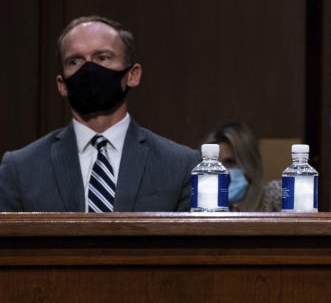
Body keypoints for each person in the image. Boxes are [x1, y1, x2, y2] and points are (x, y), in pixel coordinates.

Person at [0, 15, 199, 212]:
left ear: (132, 75)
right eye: (75, 61)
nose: (89, 69)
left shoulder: (181, 165)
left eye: (102, 57)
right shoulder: (20, 168)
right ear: (61, 85)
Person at [204, 121, 281, 211]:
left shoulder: (274, 196)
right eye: (213, 164)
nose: (220, 170)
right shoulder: (197, 205)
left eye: (230, 162)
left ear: (250, 165)